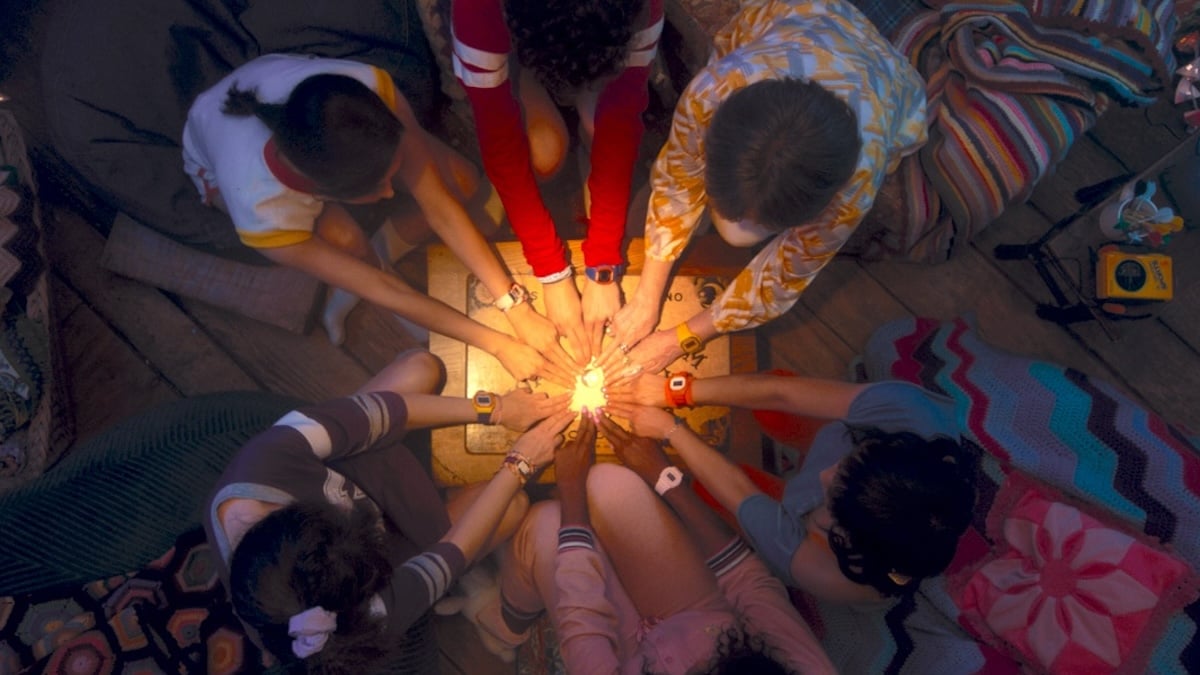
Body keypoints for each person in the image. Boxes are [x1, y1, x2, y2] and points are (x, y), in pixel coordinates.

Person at [182, 53, 575, 384]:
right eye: (380, 188)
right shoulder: (262, 213)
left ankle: (382, 244)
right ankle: (358, 271)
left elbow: (439, 205)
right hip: (215, 170)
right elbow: (387, 292)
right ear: (325, 194)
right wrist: (499, 343)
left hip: (300, 114)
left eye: (393, 176)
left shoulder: (366, 90)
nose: (391, 193)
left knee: (462, 182)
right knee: (346, 242)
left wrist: (515, 305)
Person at [602, 0, 927, 375]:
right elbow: (677, 181)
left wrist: (680, 339)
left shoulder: (856, 182)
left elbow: (780, 279)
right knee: (726, 225)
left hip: (882, 76)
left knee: (735, 236)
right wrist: (646, 295)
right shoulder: (715, 88)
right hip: (808, 17)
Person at [204, 347, 575, 672]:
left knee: (421, 367)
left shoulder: (268, 457)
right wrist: (520, 463)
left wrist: (498, 409)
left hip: (353, 461)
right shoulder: (343, 621)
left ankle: (357, 431)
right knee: (514, 504)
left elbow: (387, 410)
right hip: (402, 541)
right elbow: (445, 560)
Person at [461, 411, 836, 674]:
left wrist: (570, 492)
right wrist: (665, 478)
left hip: (625, 658)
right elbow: (747, 580)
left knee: (547, 526)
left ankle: (509, 622)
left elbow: (584, 628)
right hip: (703, 615)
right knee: (610, 484)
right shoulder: (806, 669)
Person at [606, 371, 978, 603]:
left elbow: (740, 492)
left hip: (796, 521)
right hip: (829, 450)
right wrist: (677, 390)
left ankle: (778, 480)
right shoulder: (911, 414)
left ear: (844, 537)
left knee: (712, 494)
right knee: (776, 400)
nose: (824, 476)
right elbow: (781, 392)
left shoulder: (831, 571)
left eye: (834, 500)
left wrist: (671, 431)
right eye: (851, 461)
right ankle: (799, 451)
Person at [452, 0, 665, 361]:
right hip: (510, 42)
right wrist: (551, 272)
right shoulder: (478, 11)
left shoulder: (642, 7)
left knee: (600, 127)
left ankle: (585, 118)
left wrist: (602, 263)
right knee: (546, 152)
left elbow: (620, 119)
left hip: (570, 39)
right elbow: (500, 138)